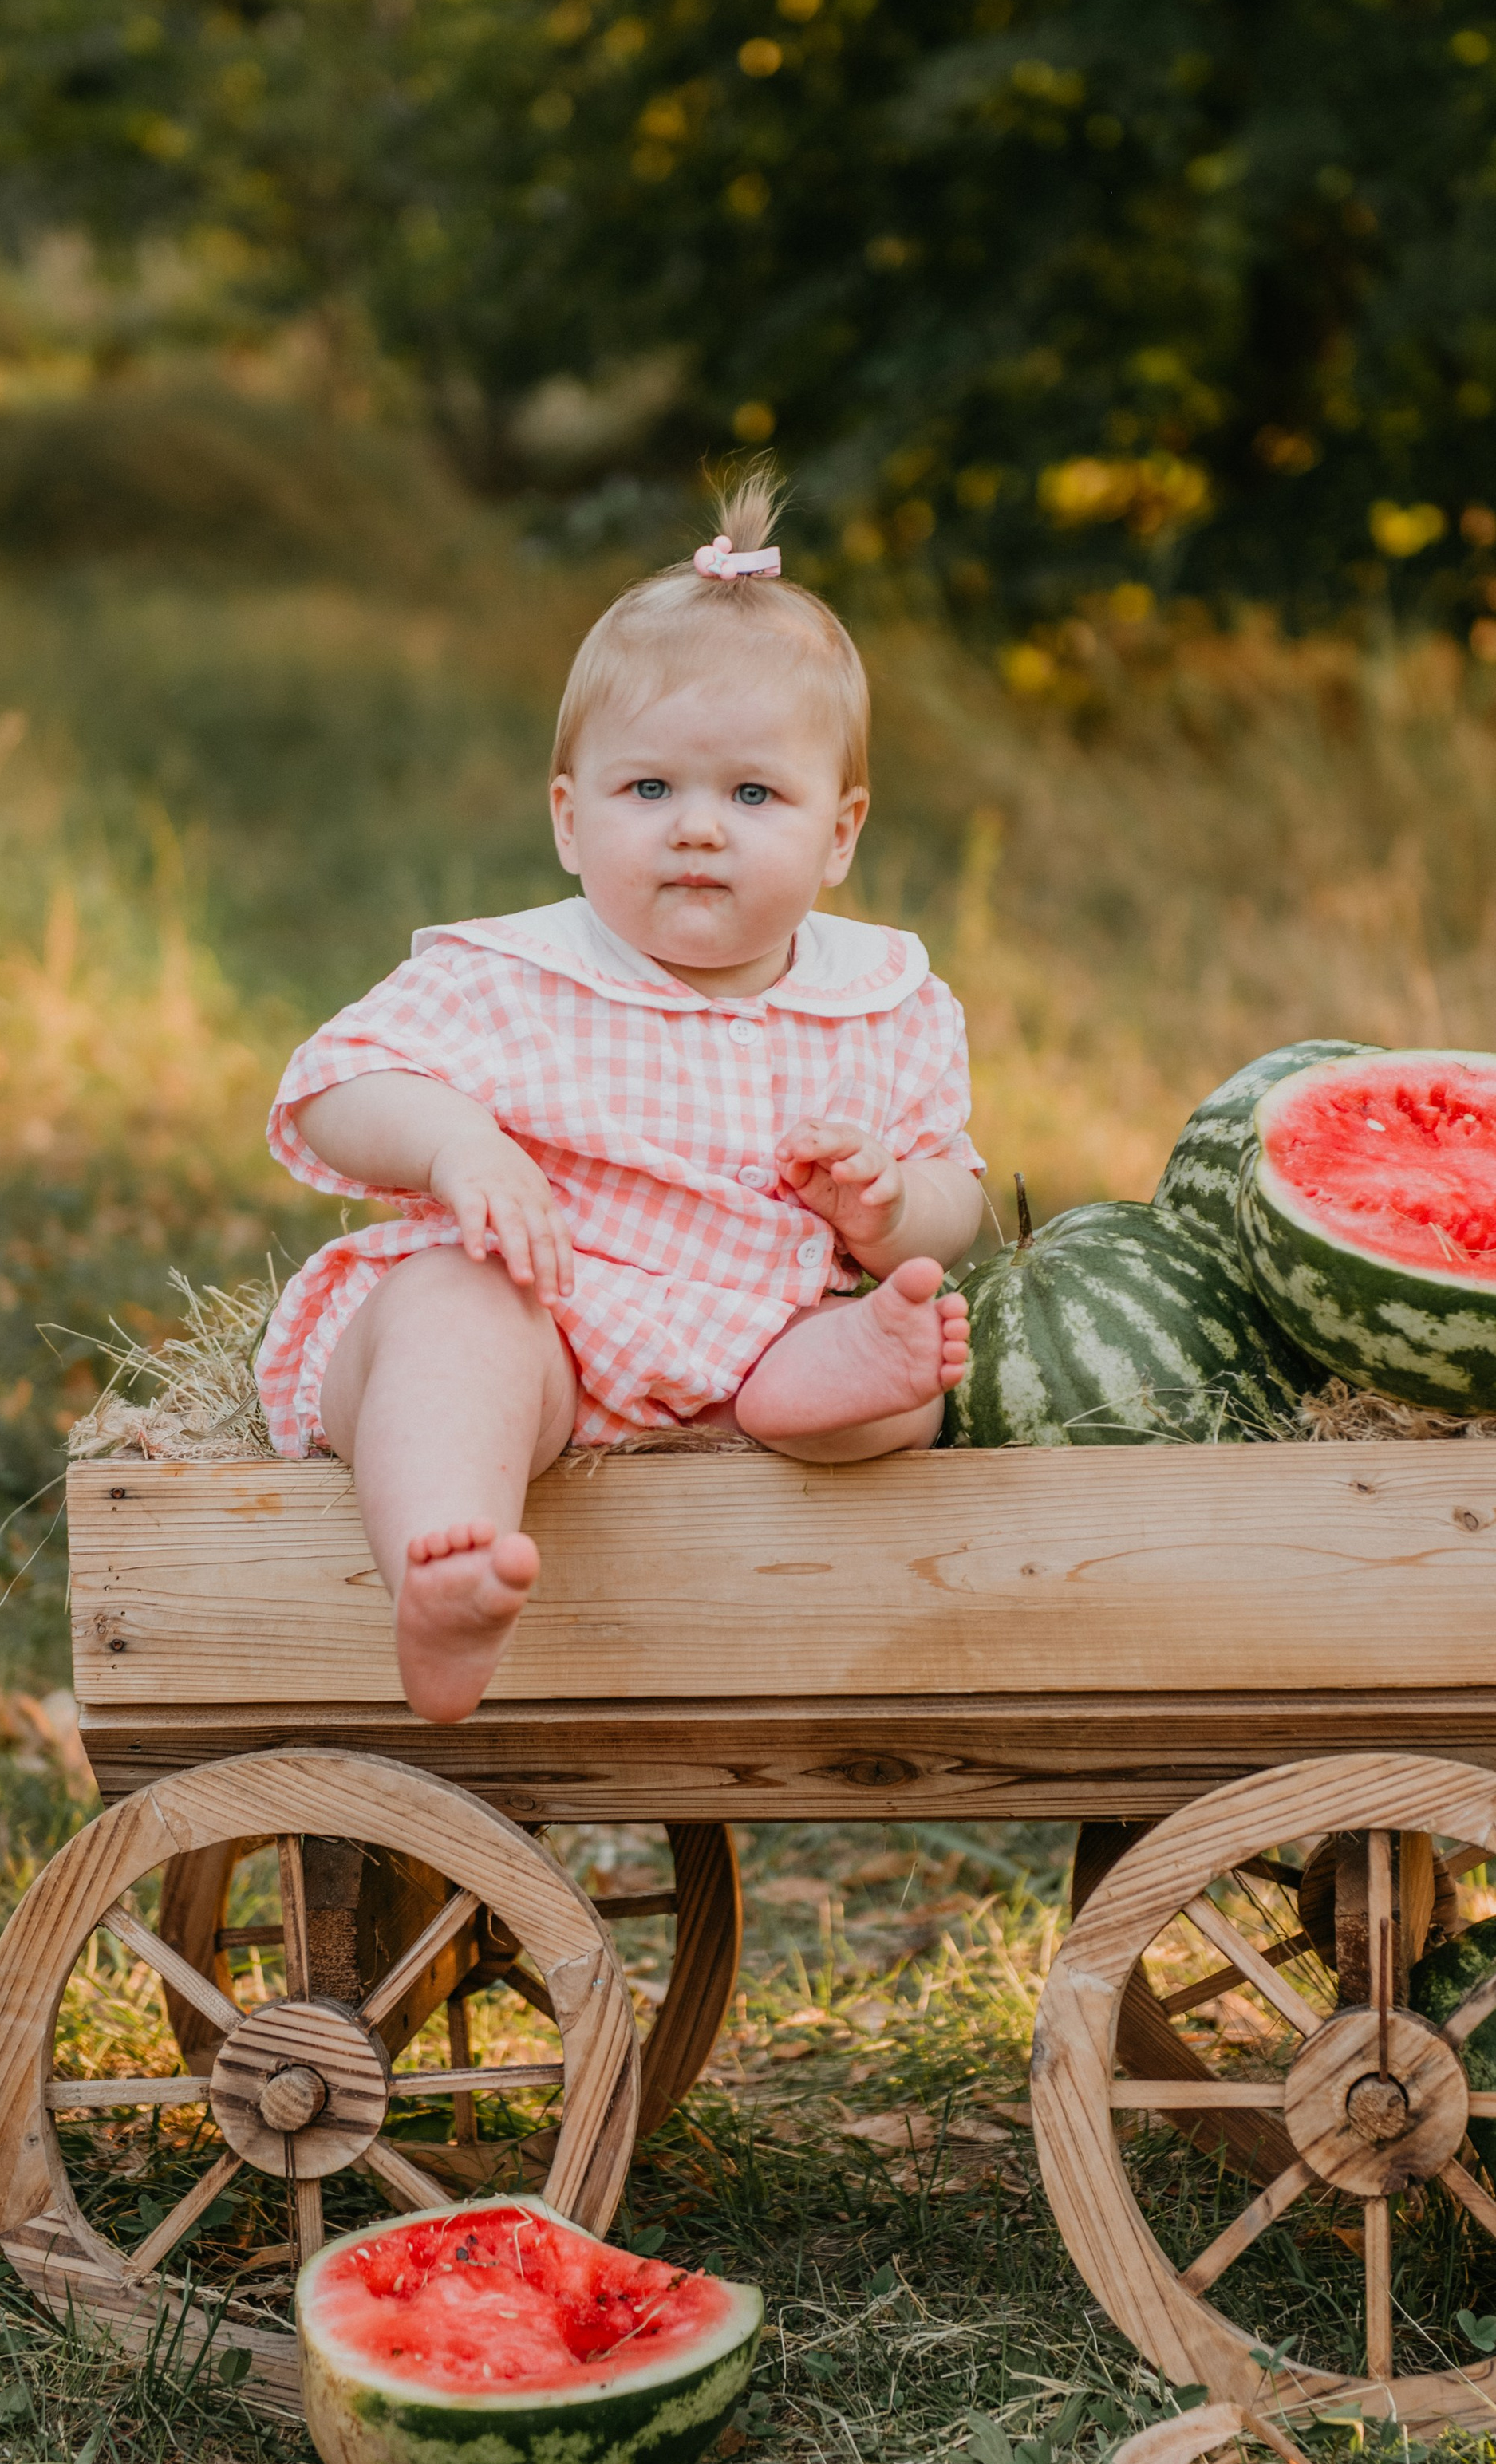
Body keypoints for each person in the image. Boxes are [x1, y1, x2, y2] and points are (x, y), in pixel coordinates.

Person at [256, 463, 986, 1721]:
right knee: (451, 1317)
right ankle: (446, 1564)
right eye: (649, 790)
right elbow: (333, 1084)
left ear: (841, 832)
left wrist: (890, 1208)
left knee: (895, 1372)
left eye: (753, 794)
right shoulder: (515, 975)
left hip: (760, 1352)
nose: (697, 828)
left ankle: (834, 1387)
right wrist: (456, 1146)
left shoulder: (884, 1003)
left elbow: (955, 1193)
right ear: (568, 818)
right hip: (543, 1320)